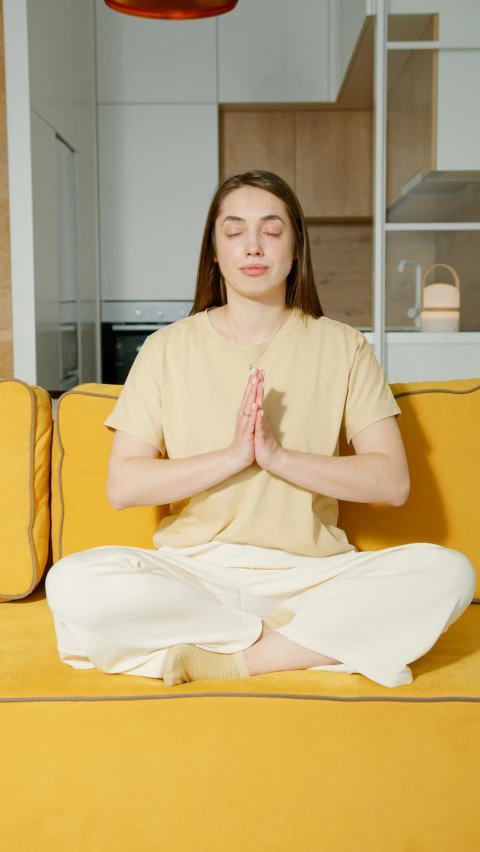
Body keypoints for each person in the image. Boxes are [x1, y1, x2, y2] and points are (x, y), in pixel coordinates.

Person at [45, 170, 476, 689]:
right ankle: (299, 643)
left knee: (449, 573)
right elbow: (124, 486)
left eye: (271, 231)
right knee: (73, 582)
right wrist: (232, 457)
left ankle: (231, 657)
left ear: (296, 250)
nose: (253, 246)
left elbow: (392, 482)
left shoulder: (344, 346)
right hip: (196, 572)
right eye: (234, 232)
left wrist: (278, 458)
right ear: (213, 251)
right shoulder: (165, 348)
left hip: (311, 574)